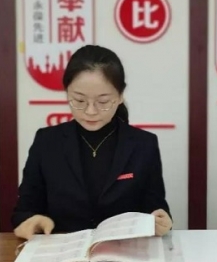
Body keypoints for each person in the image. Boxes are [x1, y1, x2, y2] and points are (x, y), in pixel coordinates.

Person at [12, 45, 173, 240]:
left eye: (103, 102)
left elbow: (156, 208)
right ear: (67, 93)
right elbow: (23, 211)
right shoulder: (47, 142)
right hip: (63, 251)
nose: (90, 111)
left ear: (120, 96)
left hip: (123, 252)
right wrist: (31, 221)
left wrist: (161, 221)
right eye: (79, 101)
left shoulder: (143, 145)